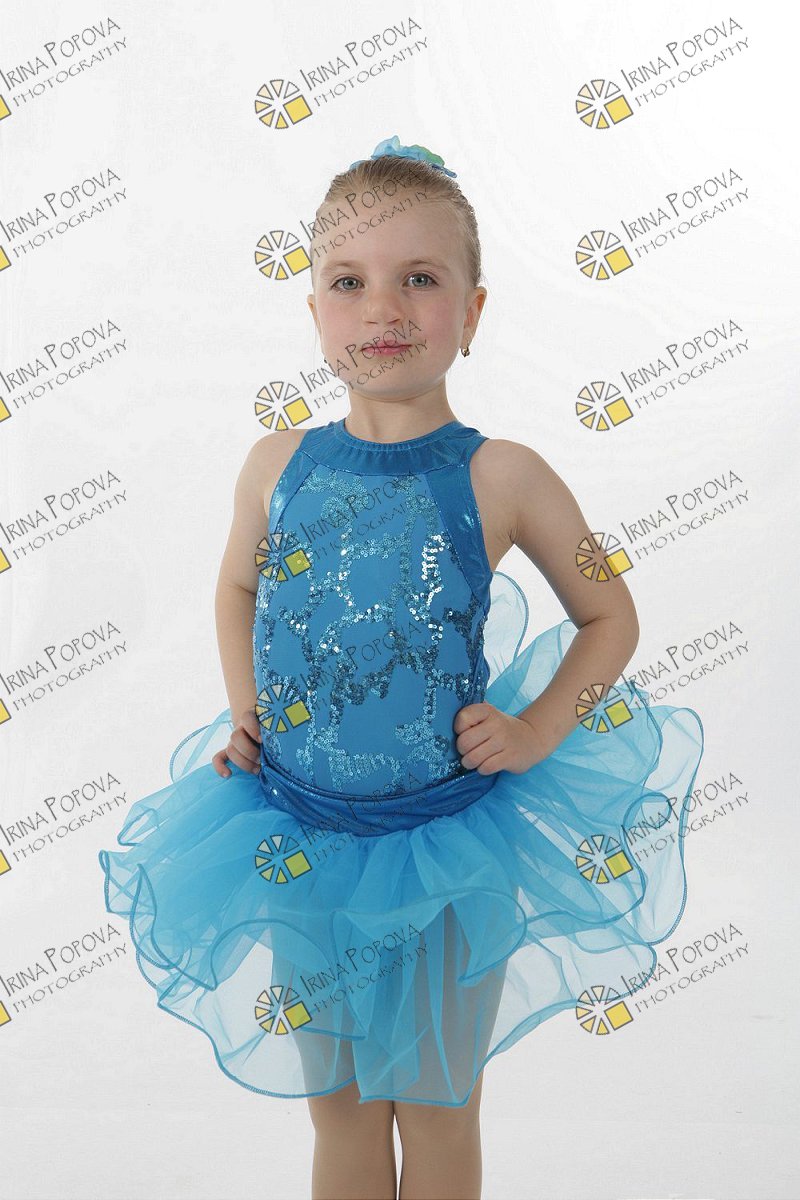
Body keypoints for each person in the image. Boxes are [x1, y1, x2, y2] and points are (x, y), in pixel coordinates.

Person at [99, 135, 705, 1200]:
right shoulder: (275, 463)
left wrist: (536, 731)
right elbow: (236, 587)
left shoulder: (504, 476)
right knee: (337, 1104)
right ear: (315, 312)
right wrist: (247, 708)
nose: (382, 307)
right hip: (296, 834)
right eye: (349, 282)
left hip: (446, 846)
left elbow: (609, 613)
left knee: (434, 1101)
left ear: (472, 313)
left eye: (419, 279)